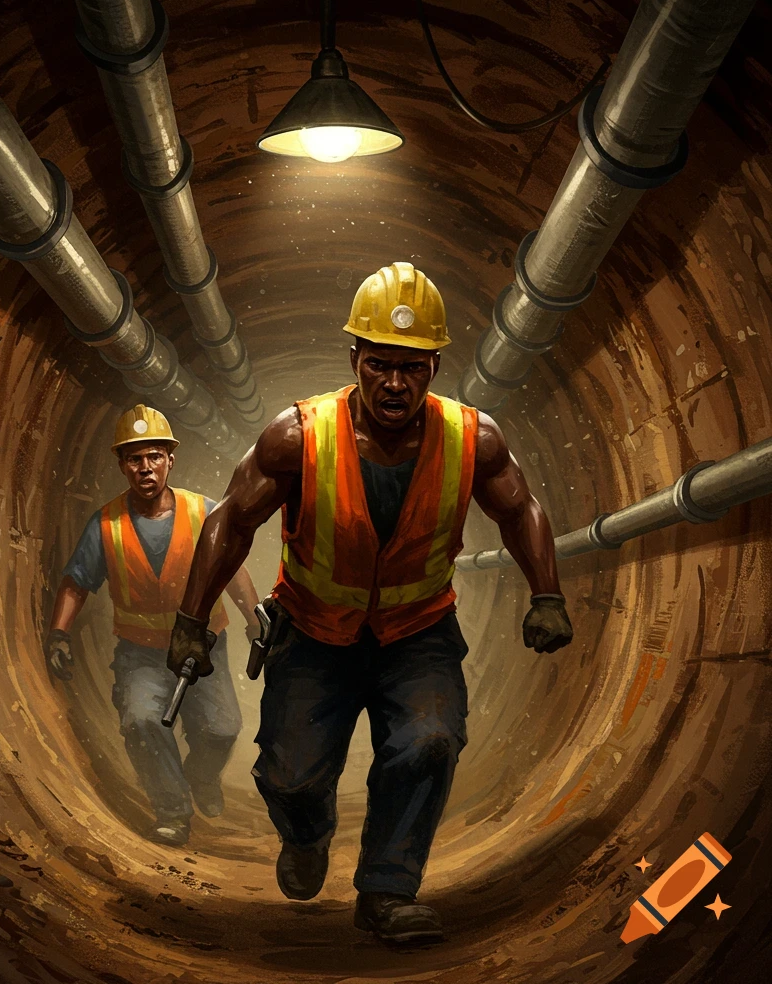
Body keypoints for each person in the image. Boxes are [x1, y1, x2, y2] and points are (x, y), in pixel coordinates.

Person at [167, 261, 573, 944]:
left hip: (418, 633)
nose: (394, 383)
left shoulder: (473, 438)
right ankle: (305, 835)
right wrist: (189, 622)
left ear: (434, 367)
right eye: (379, 364)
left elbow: (521, 507)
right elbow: (232, 521)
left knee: (430, 743)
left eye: (411, 368)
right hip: (313, 631)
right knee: (292, 777)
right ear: (354, 358)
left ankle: (388, 891)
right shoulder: (298, 436)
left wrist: (548, 595)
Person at [44, 405, 261, 846]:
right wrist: (59, 634)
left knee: (222, 729)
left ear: (170, 460)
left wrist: (254, 618)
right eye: (135, 459)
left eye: (154, 456)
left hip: (204, 644)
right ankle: (173, 813)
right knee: (142, 722)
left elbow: (232, 569)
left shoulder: (203, 511)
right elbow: (76, 583)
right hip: (141, 652)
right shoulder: (106, 524)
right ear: (123, 465)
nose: (146, 468)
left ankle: (201, 777)